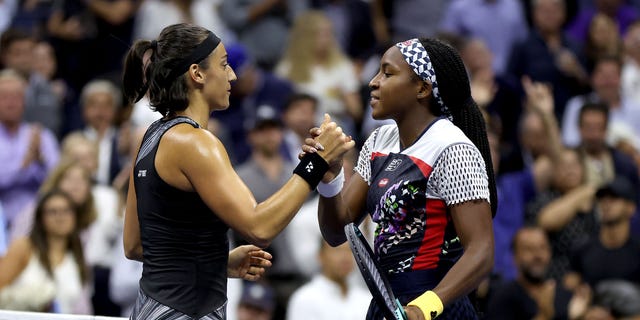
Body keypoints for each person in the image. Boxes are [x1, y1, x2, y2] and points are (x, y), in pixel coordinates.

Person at [121, 23, 354, 319]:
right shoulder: (196, 143)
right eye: (224, 64)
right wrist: (316, 163)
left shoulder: (149, 136)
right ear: (197, 73)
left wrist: (220, 262)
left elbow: (136, 245)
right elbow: (259, 227)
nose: (232, 74)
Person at [306, 38, 497, 319]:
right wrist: (330, 178)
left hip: (437, 306)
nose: (373, 82)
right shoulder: (379, 140)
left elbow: (481, 252)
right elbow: (336, 232)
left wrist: (426, 306)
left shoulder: (453, 148)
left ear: (422, 88)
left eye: (387, 72)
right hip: (387, 305)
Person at [0, 190, 91, 314]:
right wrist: (33, 298)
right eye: (53, 212)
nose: (61, 217)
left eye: (67, 211)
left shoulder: (77, 254)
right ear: (41, 217)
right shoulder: (24, 247)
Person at [486, 226, 590, 320]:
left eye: (542, 248)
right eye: (529, 249)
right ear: (515, 257)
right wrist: (544, 316)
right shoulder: (502, 298)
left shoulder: (564, 296)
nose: (537, 255)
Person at [286, 239, 371, 320]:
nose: (345, 257)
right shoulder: (304, 299)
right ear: (321, 255)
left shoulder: (367, 299)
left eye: (350, 250)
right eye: (337, 250)